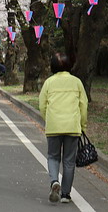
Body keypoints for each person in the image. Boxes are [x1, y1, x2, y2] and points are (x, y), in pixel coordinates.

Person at [38, 52, 88, 204]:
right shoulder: (77, 82)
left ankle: (54, 181)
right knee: (69, 161)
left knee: (53, 157)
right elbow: (83, 105)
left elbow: (42, 104)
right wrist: (82, 125)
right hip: (72, 126)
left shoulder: (49, 82)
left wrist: (49, 119)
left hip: (54, 126)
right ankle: (66, 194)